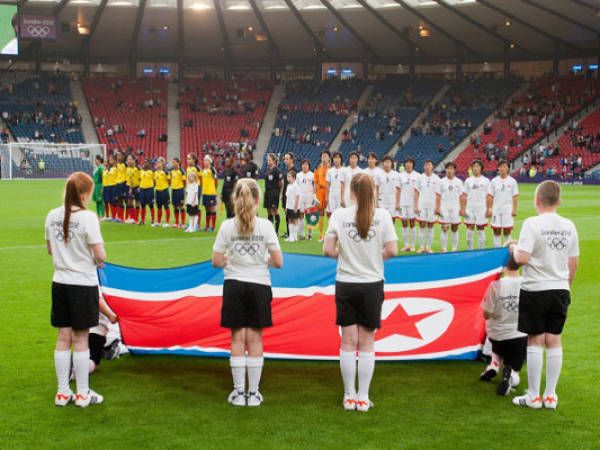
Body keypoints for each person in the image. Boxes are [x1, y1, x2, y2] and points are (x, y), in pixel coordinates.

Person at [323, 173, 398, 412]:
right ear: (373, 191)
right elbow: (393, 250)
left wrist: (343, 255)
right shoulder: (383, 215)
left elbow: (327, 250)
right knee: (366, 342)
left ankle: (349, 396)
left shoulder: (339, 214)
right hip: (371, 283)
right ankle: (363, 398)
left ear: (350, 191)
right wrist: (376, 257)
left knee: (348, 341)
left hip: (346, 282)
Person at [211, 179, 283, 407]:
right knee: (255, 338)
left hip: (234, 284)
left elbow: (215, 261)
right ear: (258, 200)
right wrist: (263, 258)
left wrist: (229, 258)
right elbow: (278, 262)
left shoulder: (226, 226)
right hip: (259, 285)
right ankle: (253, 394)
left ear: (234, 199)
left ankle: (238, 392)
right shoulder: (266, 226)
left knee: (237, 338)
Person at [510, 181, 579, 410]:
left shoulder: (532, 223)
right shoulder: (569, 225)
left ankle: (533, 397)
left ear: (537, 200)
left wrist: (513, 248)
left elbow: (521, 258)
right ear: (559, 201)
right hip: (559, 288)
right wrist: (564, 285)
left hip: (536, 288)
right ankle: (550, 396)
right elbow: (573, 263)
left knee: (535, 339)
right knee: (554, 340)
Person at [45, 172, 106, 407]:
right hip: (82, 283)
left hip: (60, 282)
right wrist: (95, 259)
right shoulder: (89, 218)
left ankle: (62, 393)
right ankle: (82, 394)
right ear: (84, 194)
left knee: (63, 337)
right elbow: (100, 255)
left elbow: (51, 249)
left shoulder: (52, 215)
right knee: (81, 339)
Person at [480, 256, 527, 396]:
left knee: (496, 340)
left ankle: (494, 364)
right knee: (515, 369)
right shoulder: (527, 284)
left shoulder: (495, 285)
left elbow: (487, 314)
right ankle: (510, 376)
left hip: (496, 335)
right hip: (518, 336)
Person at [487, 160, 519, 248]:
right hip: (496, 209)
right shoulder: (494, 181)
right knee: (496, 230)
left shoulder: (512, 181)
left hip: (507, 209)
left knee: (507, 231)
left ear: (508, 168)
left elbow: (515, 196)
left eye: (504, 166)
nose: (502, 168)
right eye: (501, 166)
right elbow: (490, 196)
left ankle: (507, 251)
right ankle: (496, 250)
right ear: (498, 168)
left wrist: (514, 209)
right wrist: (489, 209)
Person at [437, 162, 465, 252]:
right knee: (444, 228)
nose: (449, 170)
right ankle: (444, 248)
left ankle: (454, 248)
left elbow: (462, 196)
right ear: (446, 170)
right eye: (448, 168)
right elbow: (438, 196)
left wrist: (462, 208)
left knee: (454, 228)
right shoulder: (441, 182)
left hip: (455, 206)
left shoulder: (459, 182)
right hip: (444, 206)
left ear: (454, 170)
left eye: (451, 168)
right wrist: (437, 208)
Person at [414, 160, 440, 254]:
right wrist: (416, 205)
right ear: (424, 166)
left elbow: (438, 194)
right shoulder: (420, 178)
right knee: (421, 225)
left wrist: (438, 207)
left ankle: (428, 247)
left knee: (430, 226)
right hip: (422, 205)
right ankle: (421, 247)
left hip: (432, 206)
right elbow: (416, 192)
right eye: (426, 165)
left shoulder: (437, 179)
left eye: (429, 165)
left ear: (432, 166)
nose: (428, 166)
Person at [87, 298, 119, 375]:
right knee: (94, 362)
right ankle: (75, 370)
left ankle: (74, 366)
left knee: (82, 352)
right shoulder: (99, 286)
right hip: (95, 331)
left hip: (84, 327)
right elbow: (97, 300)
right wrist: (110, 316)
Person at [464, 159, 490, 250]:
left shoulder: (486, 181)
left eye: (478, 166)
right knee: (469, 230)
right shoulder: (468, 181)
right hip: (470, 207)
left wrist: (488, 209)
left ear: (481, 168)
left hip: (481, 208)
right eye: (474, 166)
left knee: (480, 230)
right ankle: (470, 251)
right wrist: (463, 209)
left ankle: (480, 250)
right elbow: (464, 195)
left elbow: (488, 196)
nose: (475, 168)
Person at [398, 157, 420, 251]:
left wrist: (416, 204)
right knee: (404, 223)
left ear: (413, 164)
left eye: (410, 163)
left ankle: (413, 245)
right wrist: (398, 202)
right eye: (407, 163)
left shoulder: (417, 175)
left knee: (412, 223)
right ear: (405, 164)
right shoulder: (400, 176)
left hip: (412, 203)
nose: (408, 164)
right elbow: (398, 190)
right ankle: (406, 245)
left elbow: (418, 191)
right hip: (403, 202)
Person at [314, 150, 331, 242]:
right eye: (322, 156)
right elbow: (316, 183)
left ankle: (330, 234)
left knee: (329, 213)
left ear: (329, 158)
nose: (324, 158)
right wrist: (314, 195)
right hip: (320, 191)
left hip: (329, 191)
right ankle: (321, 234)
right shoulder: (318, 169)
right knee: (320, 212)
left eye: (326, 156)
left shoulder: (332, 169)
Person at [263, 153, 283, 234]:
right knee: (269, 211)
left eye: (269, 160)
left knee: (275, 210)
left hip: (274, 193)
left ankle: (276, 231)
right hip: (267, 192)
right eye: (267, 160)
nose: (267, 161)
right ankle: (270, 231)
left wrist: (278, 193)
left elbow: (280, 183)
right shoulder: (268, 169)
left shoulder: (277, 170)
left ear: (274, 161)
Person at [296, 159, 315, 240]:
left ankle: (310, 234)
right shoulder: (298, 175)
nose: (304, 166)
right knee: (301, 215)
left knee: (309, 216)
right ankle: (302, 235)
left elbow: (315, 186)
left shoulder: (312, 175)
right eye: (303, 164)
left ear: (309, 166)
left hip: (309, 197)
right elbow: (296, 187)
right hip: (301, 197)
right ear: (301, 166)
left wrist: (314, 196)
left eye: (306, 164)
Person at [281, 152, 298, 238]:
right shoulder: (286, 170)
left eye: (287, 158)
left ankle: (292, 235)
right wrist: (282, 194)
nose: (285, 160)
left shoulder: (295, 170)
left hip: (291, 197)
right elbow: (284, 183)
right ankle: (289, 233)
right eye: (285, 158)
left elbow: (296, 185)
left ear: (292, 160)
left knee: (292, 216)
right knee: (287, 214)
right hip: (285, 195)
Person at [379, 155, 401, 222]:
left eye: (388, 162)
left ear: (391, 163)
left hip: (392, 201)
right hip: (382, 201)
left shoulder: (396, 175)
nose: (387, 164)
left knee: (392, 220)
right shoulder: (379, 174)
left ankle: (391, 232)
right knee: (381, 220)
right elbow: (376, 189)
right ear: (383, 163)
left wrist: (397, 203)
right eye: (385, 162)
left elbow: (398, 190)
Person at [201, 155, 218, 232]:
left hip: (211, 192)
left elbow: (216, 180)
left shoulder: (212, 169)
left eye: (206, 160)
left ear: (210, 161)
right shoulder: (203, 170)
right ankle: (207, 226)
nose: (205, 162)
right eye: (204, 160)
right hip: (205, 192)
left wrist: (215, 190)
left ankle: (213, 227)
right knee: (207, 209)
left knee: (212, 208)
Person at [326, 152, 346, 216]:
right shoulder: (329, 171)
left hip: (341, 195)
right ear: (333, 160)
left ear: (341, 159)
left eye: (338, 158)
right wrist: (327, 196)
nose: (336, 160)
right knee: (332, 214)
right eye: (335, 158)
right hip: (332, 195)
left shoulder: (344, 170)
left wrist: (343, 198)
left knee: (341, 214)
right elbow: (327, 184)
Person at [153, 157, 171, 227]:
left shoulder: (165, 172)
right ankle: (158, 222)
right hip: (157, 191)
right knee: (159, 207)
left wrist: (165, 187)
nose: (158, 163)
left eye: (159, 162)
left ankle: (167, 222)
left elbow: (169, 181)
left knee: (166, 206)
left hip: (164, 191)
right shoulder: (155, 172)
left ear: (163, 163)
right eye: (157, 162)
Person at [170, 158, 186, 229]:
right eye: (172, 162)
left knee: (181, 206)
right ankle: (176, 223)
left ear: (178, 163)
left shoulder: (182, 171)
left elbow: (184, 181)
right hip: (173, 190)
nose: (173, 164)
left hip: (180, 190)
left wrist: (182, 188)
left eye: (174, 162)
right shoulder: (172, 171)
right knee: (175, 206)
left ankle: (183, 223)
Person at [284, 170, 300, 242]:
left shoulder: (296, 186)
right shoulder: (288, 186)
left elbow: (297, 197)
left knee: (295, 220)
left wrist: (296, 207)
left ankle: (295, 236)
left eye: (290, 177)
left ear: (294, 178)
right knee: (290, 220)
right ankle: (291, 236)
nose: (288, 178)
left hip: (294, 207)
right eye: (288, 177)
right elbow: (287, 197)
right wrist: (286, 207)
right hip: (289, 206)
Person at [139, 158, 156, 226]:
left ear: (149, 163)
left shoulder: (152, 171)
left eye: (146, 162)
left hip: (149, 190)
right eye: (143, 162)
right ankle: (142, 220)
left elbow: (154, 181)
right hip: (142, 189)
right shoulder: (141, 171)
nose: (144, 163)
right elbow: (140, 179)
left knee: (151, 205)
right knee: (142, 205)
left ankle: (153, 220)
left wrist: (151, 186)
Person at [125, 155, 140, 224]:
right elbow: (130, 179)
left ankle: (136, 219)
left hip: (137, 187)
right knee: (129, 202)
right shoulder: (128, 168)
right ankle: (132, 218)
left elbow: (141, 178)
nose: (129, 161)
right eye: (128, 159)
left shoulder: (138, 168)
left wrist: (139, 187)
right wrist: (130, 188)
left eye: (130, 159)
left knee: (137, 202)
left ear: (134, 160)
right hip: (130, 187)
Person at [115, 152, 128, 222]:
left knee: (126, 201)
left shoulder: (125, 164)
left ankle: (127, 217)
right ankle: (120, 217)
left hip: (124, 184)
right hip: (118, 184)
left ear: (123, 156)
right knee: (119, 201)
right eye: (117, 155)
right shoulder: (117, 165)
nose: (118, 156)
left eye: (119, 155)